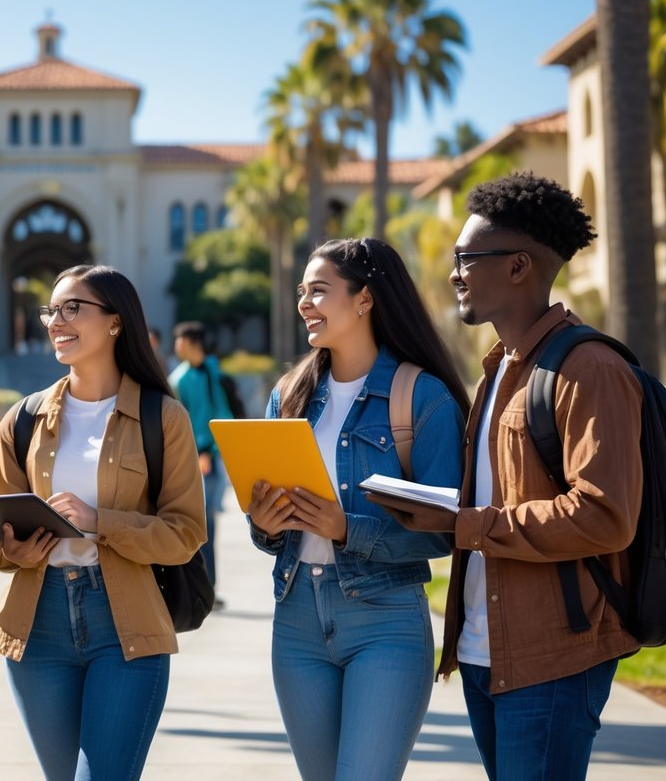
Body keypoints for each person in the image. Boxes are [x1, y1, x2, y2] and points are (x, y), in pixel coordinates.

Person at [370, 173, 642, 781]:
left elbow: (605, 515)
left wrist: (464, 524)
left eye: (467, 259)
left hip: (554, 654)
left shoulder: (589, 367)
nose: (454, 273)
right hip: (483, 651)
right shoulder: (499, 371)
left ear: (518, 267)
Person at [247, 237, 468, 781]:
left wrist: (348, 529)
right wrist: (266, 526)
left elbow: (446, 533)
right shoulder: (289, 395)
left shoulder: (424, 397)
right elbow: (271, 530)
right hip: (296, 618)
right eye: (302, 292)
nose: (304, 303)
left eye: (318, 291)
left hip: (386, 623)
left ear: (365, 299)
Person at [0, 264, 205, 781]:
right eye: (51, 310)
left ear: (114, 322)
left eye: (72, 308)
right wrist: (9, 551)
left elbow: (186, 534)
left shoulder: (162, 417)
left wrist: (99, 521)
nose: (56, 321)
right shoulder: (23, 420)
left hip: (124, 626)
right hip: (36, 629)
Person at [169, 320, 231, 607]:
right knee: (199, 525)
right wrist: (199, 452)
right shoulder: (179, 379)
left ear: (194, 343)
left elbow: (221, 408)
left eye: (180, 341)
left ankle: (209, 588)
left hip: (216, 455)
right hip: (196, 458)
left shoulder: (212, 369)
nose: (177, 346)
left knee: (209, 525)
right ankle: (200, 589)